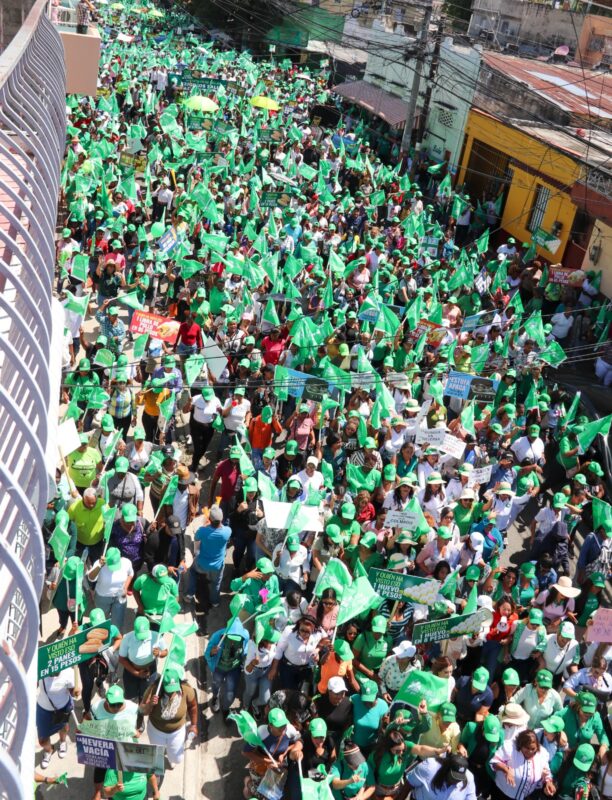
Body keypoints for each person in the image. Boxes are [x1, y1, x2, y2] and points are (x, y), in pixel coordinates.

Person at [139, 667, 198, 767]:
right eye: (168, 690)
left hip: (177, 732)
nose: (171, 693)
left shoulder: (187, 690)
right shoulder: (153, 690)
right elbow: (141, 710)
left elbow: (193, 707)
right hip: (156, 731)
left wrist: (194, 725)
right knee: (158, 754)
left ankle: (171, 757)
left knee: (177, 758)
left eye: (174, 689)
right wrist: (150, 705)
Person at [186, 505, 232, 608]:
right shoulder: (227, 531)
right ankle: (215, 602)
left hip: (202, 563)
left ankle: (189, 594)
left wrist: (206, 526)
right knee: (216, 583)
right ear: (221, 519)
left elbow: (197, 537)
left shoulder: (203, 530)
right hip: (217, 565)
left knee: (193, 570)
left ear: (210, 519)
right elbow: (223, 529)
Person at [491, 728, 556, 800]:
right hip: (502, 795)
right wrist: (506, 769)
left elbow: (546, 771)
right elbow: (495, 762)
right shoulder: (510, 747)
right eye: (527, 748)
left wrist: (548, 782)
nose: (530, 751)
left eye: (533, 748)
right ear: (520, 745)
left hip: (525, 797)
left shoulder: (542, 754)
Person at [204, 618, 249, 717]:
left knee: (230, 692)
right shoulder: (217, 636)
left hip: (234, 669)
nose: (233, 641)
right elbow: (207, 654)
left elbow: (245, 651)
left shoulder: (245, 636)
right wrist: (212, 652)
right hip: (219, 668)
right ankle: (215, 697)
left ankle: (225, 708)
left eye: (237, 638)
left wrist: (247, 657)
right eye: (231, 638)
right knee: (216, 684)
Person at [36, 667, 78, 769]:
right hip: (43, 709)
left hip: (62, 708)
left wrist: (77, 670)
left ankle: (62, 742)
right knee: (42, 740)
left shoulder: (68, 672)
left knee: (64, 728)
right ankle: (48, 750)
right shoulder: (39, 669)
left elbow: (75, 693)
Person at [118, 616, 167, 701]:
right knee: (130, 696)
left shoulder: (156, 636)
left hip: (150, 671)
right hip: (131, 671)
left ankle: (141, 713)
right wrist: (136, 673)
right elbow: (122, 658)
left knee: (146, 696)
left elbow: (165, 652)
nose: (142, 639)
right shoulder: (127, 638)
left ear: (149, 628)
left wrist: (159, 653)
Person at [87, 545, 133, 629]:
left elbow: (130, 574)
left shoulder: (127, 562)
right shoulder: (99, 563)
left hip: (119, 597)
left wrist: (125, 588)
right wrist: (99, 566)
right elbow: (91, 578)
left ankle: (116, 638)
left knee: (117, 623)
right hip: (102, 597)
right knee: (101, 622)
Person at [406, 753, 477, 800]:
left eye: (460, 779)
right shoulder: (429, 767)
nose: (456, 781)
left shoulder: (469, 777)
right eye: (454, 777)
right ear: (446, 769)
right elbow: (409, 783)